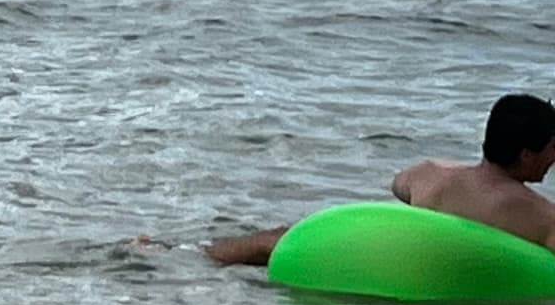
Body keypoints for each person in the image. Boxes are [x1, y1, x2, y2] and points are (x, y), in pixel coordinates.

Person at [207, 93, 555, 266]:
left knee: (278, 238)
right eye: (551, 148)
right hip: (459, 289)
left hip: (390, 261)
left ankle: (187, 255)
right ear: (526, 154)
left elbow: (398, 185)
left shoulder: (430, 174)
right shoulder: (542, 216)